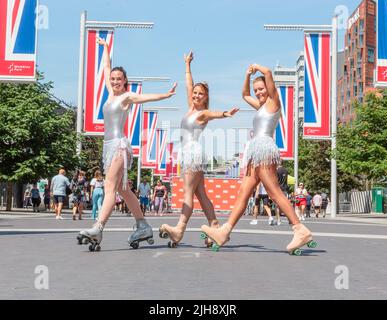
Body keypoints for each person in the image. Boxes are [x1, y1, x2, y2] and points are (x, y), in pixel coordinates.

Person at [200, 64, 316, 255]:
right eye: (257, 90)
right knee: (243, 194)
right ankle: (225, 231)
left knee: (275, 193)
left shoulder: (274, 102)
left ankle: (300, 229)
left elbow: (268, 73)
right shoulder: (261, 106)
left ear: (268, 88)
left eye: (261, 89)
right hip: (254, 152)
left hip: (263, 150)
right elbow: (245, 95)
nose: (258, 92)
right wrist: (247, 75)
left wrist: (257, 67)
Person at [78, 37, 177, 250]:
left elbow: (146, 98)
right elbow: (105, 68)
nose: (114, 81)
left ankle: (98, 228)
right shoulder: (110, 94)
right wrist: (105, 49)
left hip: (119, 146)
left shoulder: (126, 97)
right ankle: (142, 225)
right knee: (123, 190)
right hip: (109, 146)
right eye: (113, 79)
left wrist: (166, 95)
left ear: (125, 81)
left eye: (118, 79)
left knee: (110, 187)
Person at [158, 51, 239, 248]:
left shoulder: (202, 113)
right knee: (200, 193)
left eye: (200, 94)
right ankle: (216, 228)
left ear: (205, 98)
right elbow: (188, 84)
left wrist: (225, 113)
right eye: (195, 93)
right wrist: (187, 64)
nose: (195, 95)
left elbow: (213, 114)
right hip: (187, 153)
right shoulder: (190, 108)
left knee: (188, 192)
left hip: (193, 153)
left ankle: (179, 229)